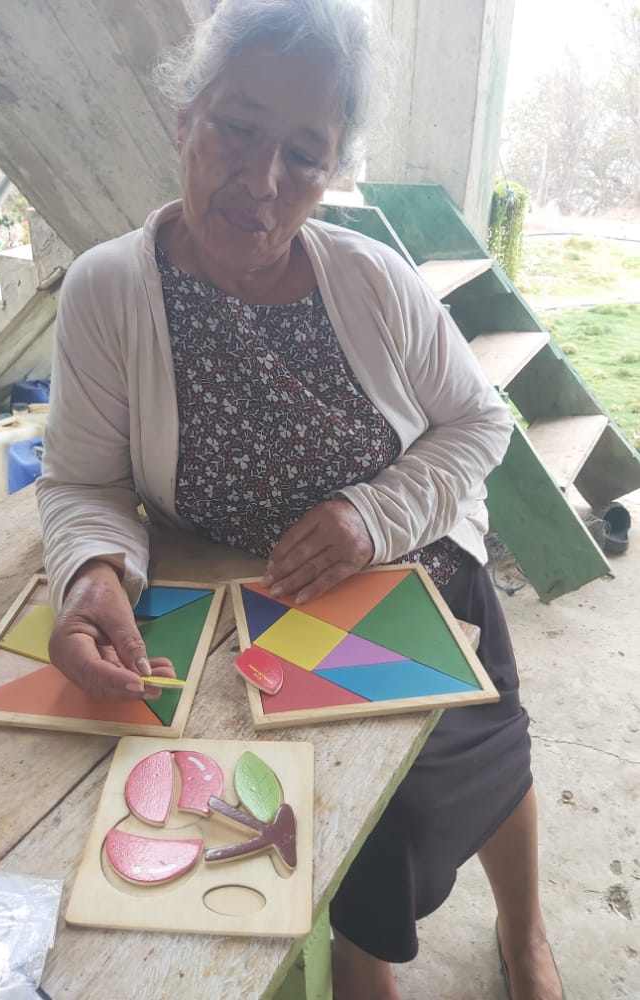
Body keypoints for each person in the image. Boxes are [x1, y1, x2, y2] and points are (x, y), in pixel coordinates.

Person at [36, 0, 565, 996]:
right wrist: (94, 573)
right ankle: (367, 958)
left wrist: (373, 516)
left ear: (330, 174)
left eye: (304, 154)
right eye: (238, 129)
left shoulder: (371, 280)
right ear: (185, 119)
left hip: (410, 572)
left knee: (480, 760)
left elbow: (479, 423)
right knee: (305, 820)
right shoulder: (108, 291)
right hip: (239, 606)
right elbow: (83, 480)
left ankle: (525, 932)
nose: (262, 179)